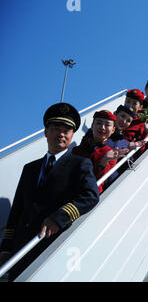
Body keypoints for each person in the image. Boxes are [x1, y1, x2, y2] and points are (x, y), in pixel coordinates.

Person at [0, 103, 99, 281]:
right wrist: (6, 247)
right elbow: (16, 210)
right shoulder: (29, 169)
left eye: (66, 130)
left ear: (72, 135)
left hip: (52, 245)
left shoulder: (80, 164)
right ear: (46, 132)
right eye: (56, 128)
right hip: (21, 248)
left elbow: (91, 196)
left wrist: (59, 217)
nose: (61, 134)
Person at [72, 110, 125, 194]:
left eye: (107, 125)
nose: (102, 127)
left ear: (113, 130)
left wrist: (104, 161)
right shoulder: (77, 150)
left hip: (89, 194)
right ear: (92, 126)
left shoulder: (110, 153)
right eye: (99, 123)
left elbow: (102, 178)